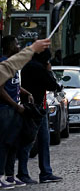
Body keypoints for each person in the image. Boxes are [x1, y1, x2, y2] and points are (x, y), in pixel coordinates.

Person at [18, 47, 63, 184]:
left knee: (43, 139)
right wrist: (48, 71)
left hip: (38, 108)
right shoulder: (38, 68)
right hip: (35, 108)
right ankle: (24, 173)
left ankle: (45, 172)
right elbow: (52, 85)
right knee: (29, 141)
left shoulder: (29, 65)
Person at [0, 36, 35, 188]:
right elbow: (0, 88)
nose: (19, 46)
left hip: (15, 109)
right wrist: (15, 105)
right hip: (5, 109)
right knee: (4, 144)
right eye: (16, 44)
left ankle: (10, 176)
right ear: (9, 46)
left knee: (14, 143)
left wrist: (26, 92)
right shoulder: (3, 64)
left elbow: (14, 83)